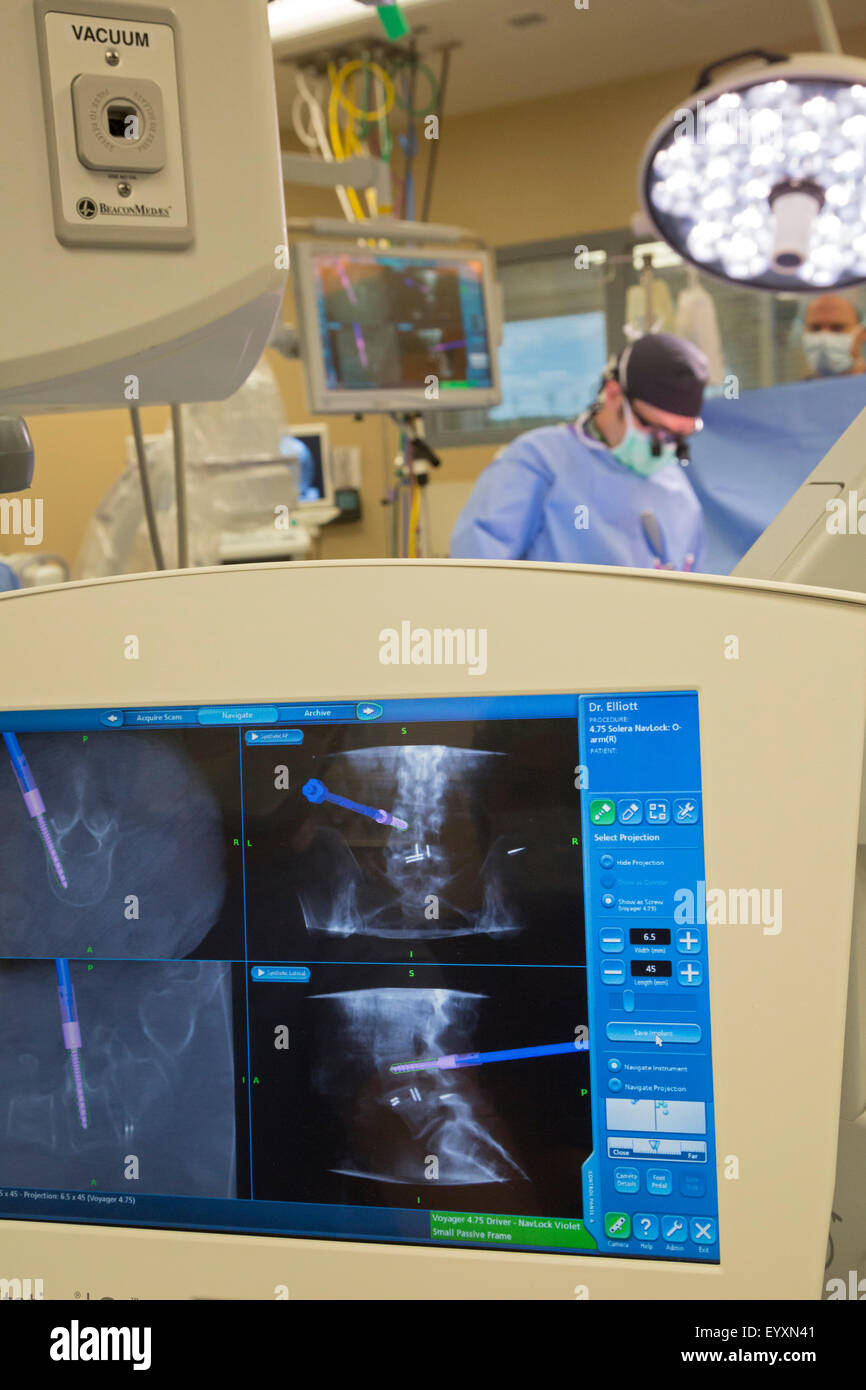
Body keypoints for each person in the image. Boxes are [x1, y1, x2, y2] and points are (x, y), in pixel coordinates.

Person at [450, 332, 709, 570]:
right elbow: (476, 573)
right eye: (655, 431)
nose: (665, 447)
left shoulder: (678, 494)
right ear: (612, 394)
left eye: (679, 437)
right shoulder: (540, 461)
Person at [801, 295, 866, 378]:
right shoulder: (795, 390)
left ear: (862, 334)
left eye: (837, 328)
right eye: (815, 328)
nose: (823, 338)